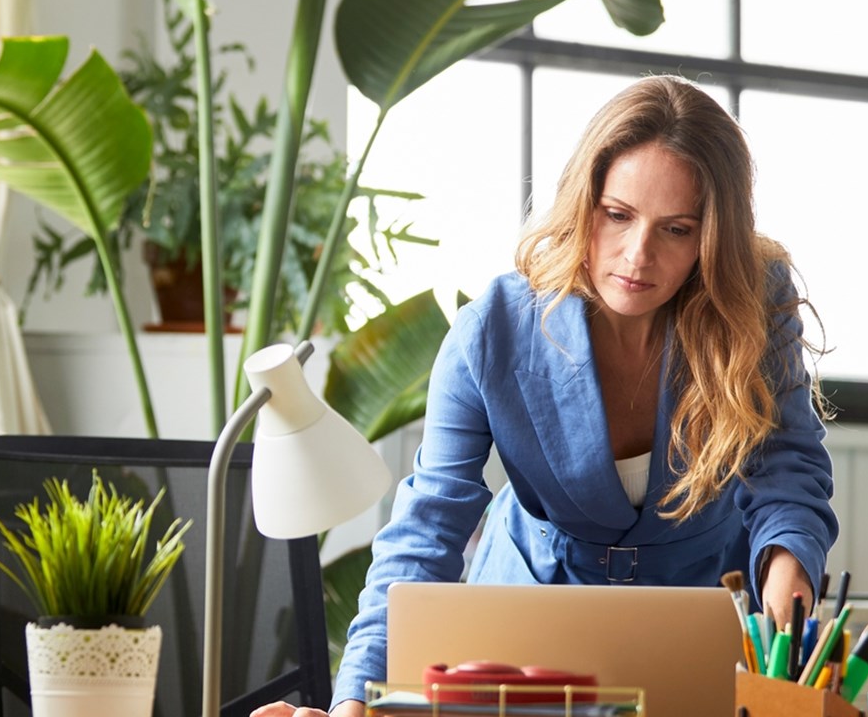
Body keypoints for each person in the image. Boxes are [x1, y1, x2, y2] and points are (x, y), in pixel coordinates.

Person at [255, 75, 838, 717]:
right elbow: (428, 523)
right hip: (527, 629)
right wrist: (350, 701)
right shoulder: (495, 328)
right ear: (583, 201)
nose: (637, 254)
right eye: (617, 215)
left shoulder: (756, 301)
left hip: (701, 620)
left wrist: (788, 575)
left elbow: (786, 467)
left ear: (713, 237)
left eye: (676, 229)